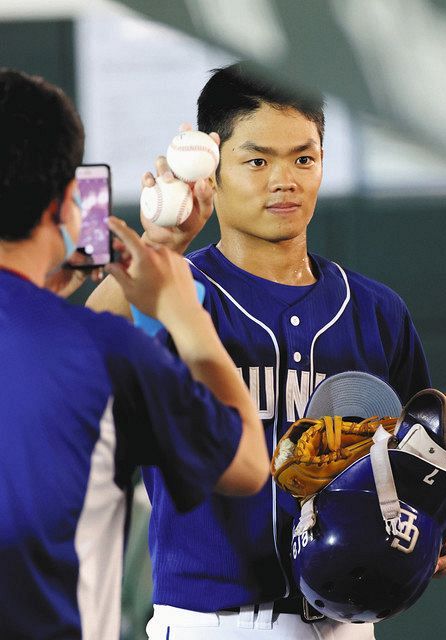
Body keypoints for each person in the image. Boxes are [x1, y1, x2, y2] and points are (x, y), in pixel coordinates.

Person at [87, 62, 446, 640]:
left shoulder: (377, 312)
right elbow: (82, 352)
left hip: (348, 623)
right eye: (258, 160)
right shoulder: (174, 290)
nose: (284, 180)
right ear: (212, 163)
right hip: (209, 622)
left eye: (303, 158)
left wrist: (433, 528)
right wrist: (160, 245)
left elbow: (420, 464)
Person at [0, 68, 269, 640]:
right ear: (64, 204)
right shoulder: (104, 355)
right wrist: (184, 314)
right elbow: (248, 463)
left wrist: (158, 246)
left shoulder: (89, 348)